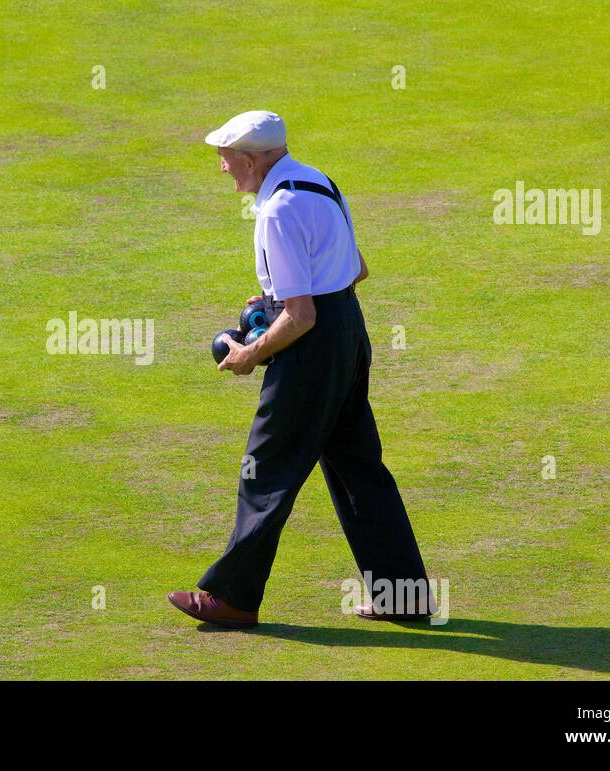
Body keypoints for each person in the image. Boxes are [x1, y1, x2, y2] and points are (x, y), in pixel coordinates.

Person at [167, 110, 434, 629]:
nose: (222, 169)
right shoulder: (317, 181)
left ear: (248, 159)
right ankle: (402, 595)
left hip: (311, 349)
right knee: (358, 467)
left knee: (266, 470)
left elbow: (301, 316)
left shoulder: (276, 211)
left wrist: (249, 353)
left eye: (225, 159)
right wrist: (272, 298)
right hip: (348, 336)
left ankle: (233, 599)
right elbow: (355, 270)